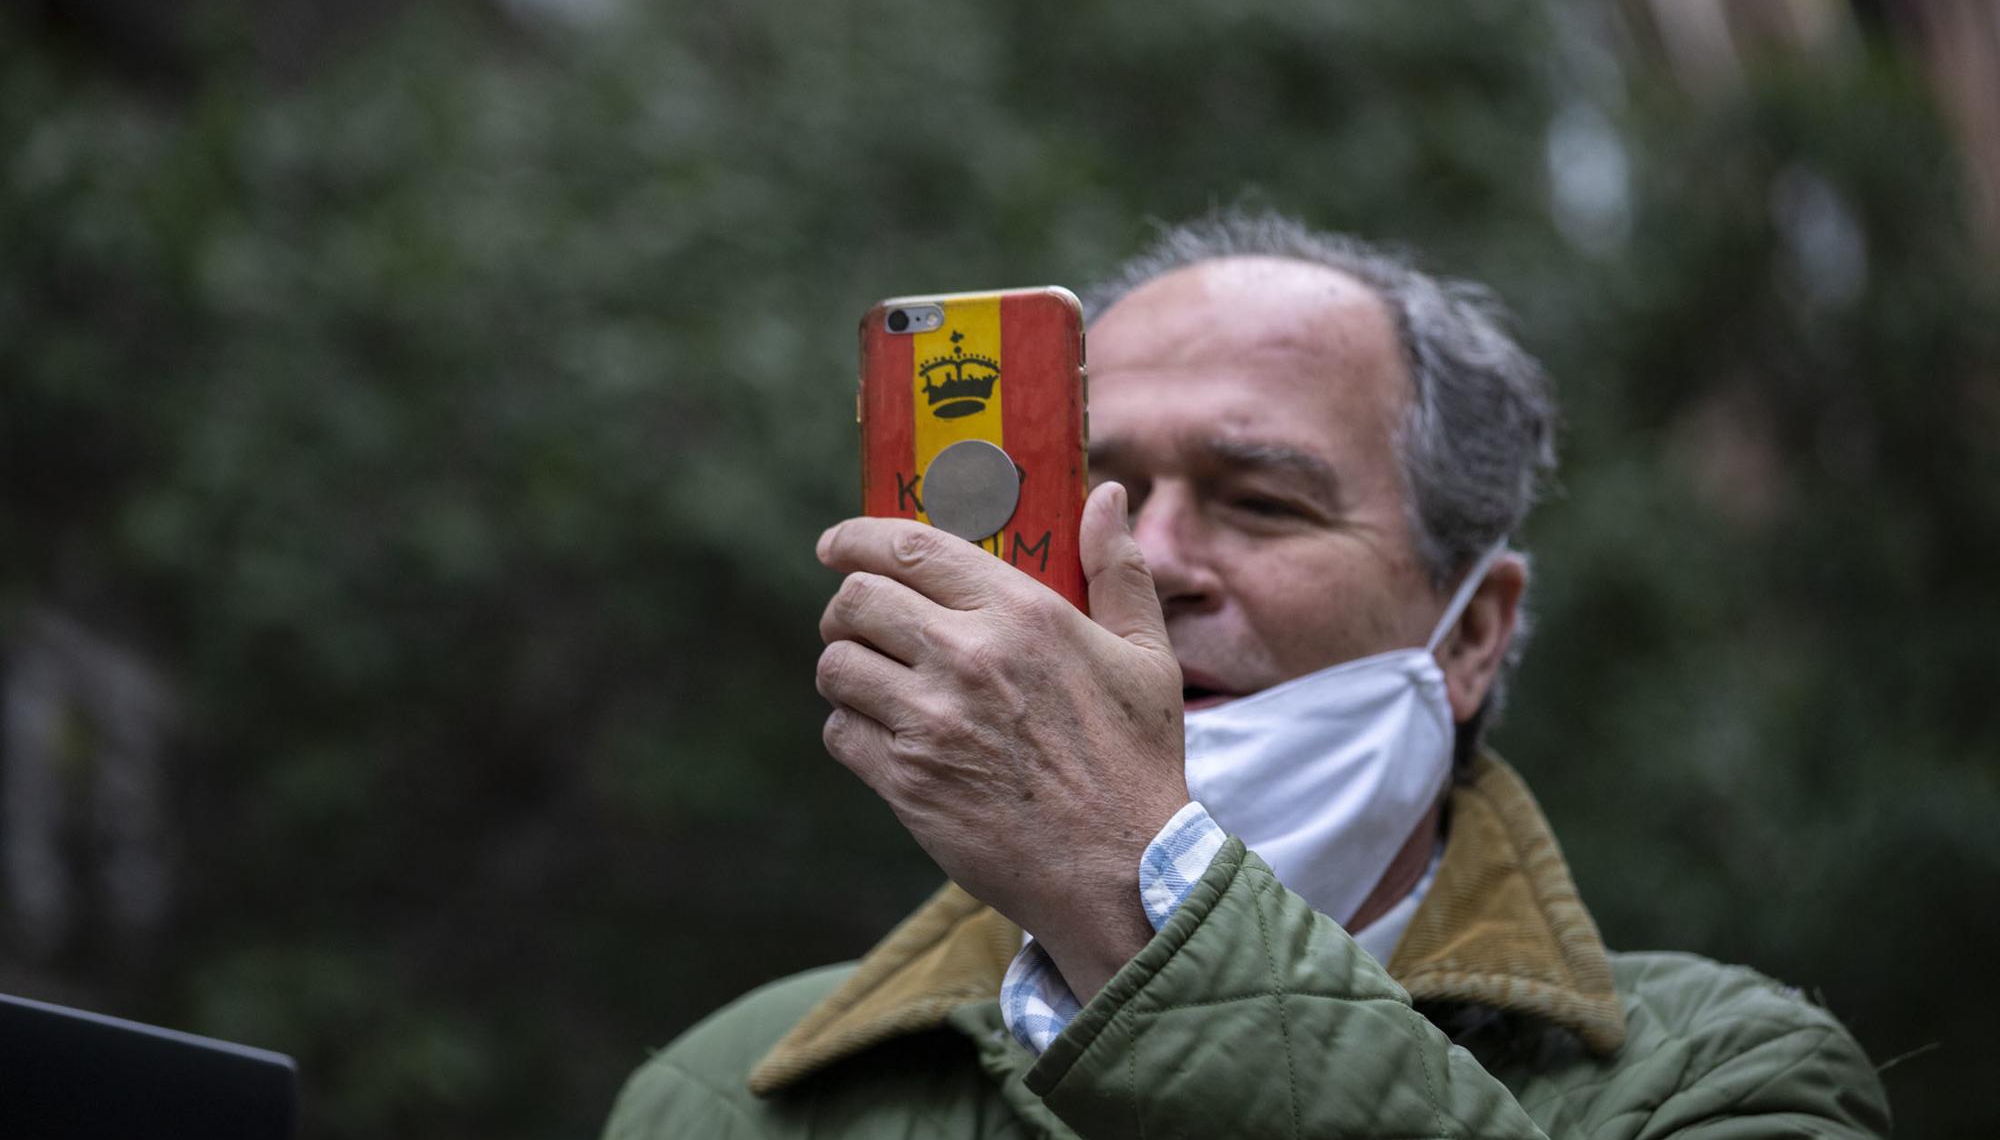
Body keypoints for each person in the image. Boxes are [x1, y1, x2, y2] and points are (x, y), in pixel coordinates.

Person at [601, 213, 1891, 1138]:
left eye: (1261, 501)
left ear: (1474, 632)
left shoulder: (1728, 1075)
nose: (1149, 560)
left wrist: (1124, 884)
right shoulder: (730, 1094)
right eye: (1095, 493)